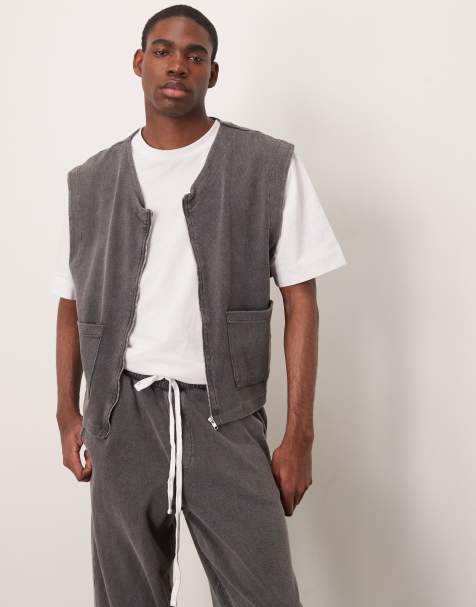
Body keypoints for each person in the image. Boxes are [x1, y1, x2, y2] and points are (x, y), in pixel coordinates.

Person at [52, 5, 346, 606]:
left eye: (195, 55)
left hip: (225, 417)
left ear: (213, 72)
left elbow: (302, 301)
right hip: (122, 418)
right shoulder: (91, 181)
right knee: (126, 595)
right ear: (140, 62)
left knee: (264, 593)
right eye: (163, 51)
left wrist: (300, 436)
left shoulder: (266, 165)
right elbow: (70, 302)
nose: (177, 65)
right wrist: (66, 413)